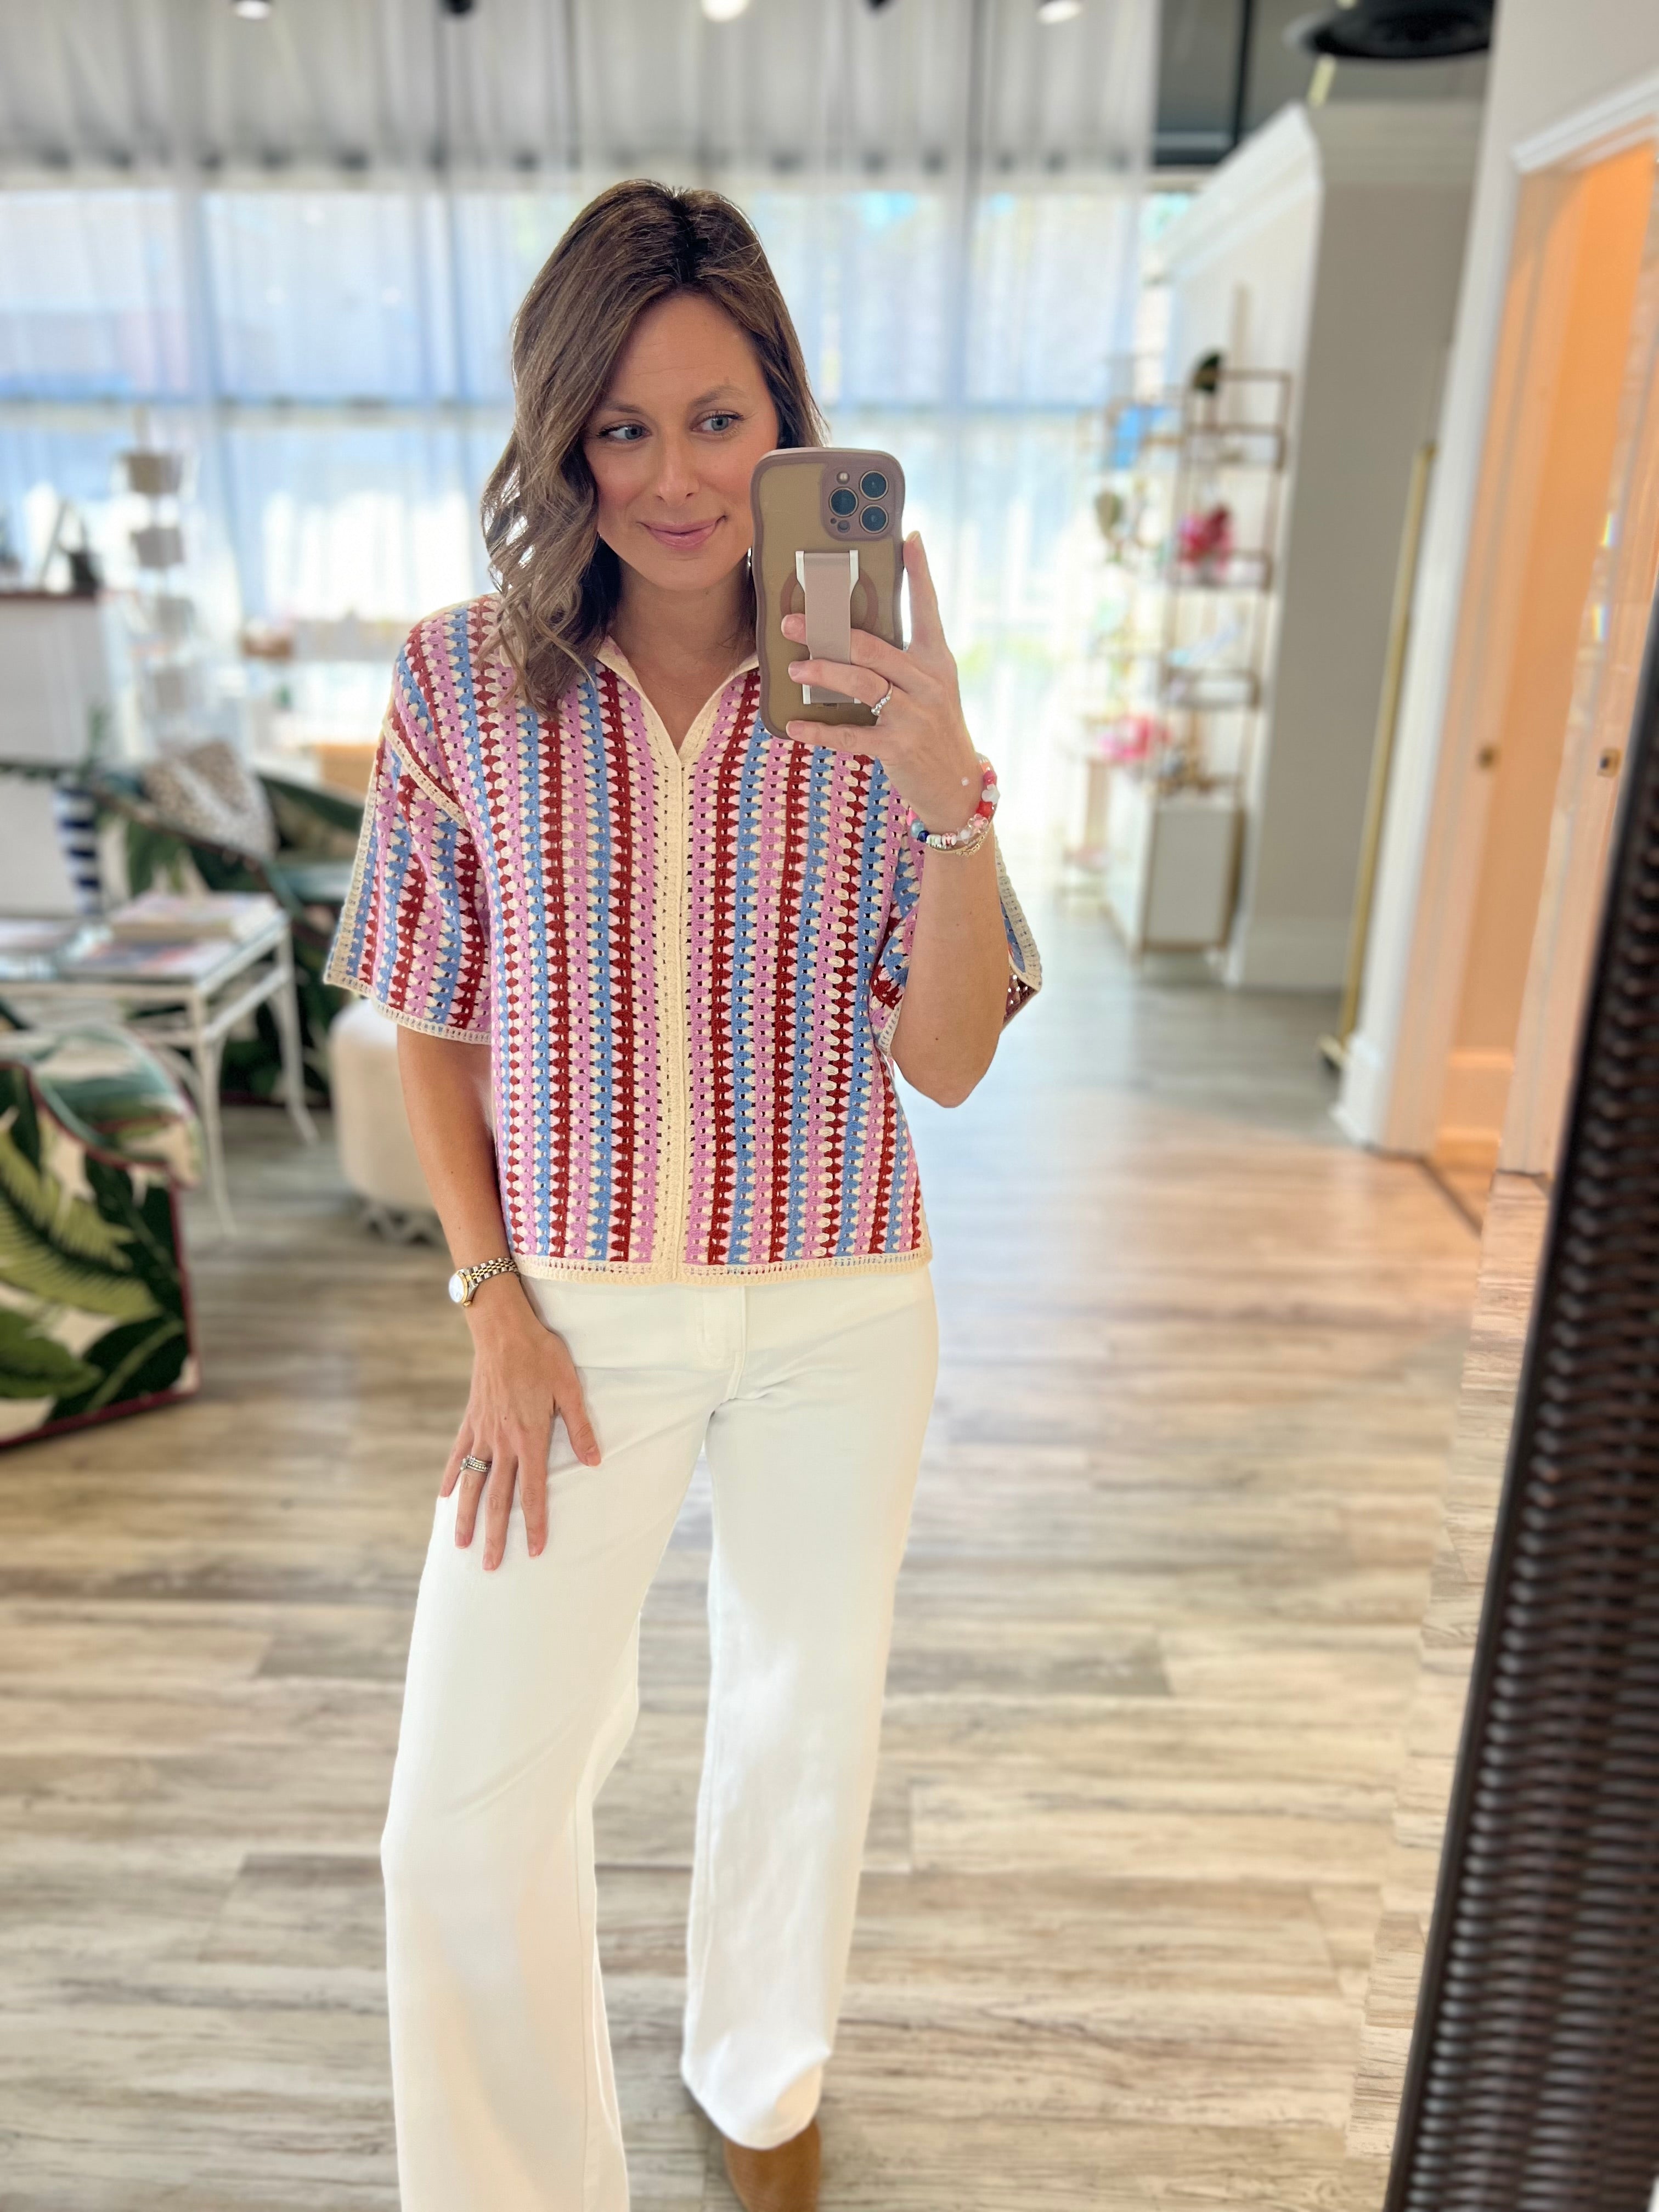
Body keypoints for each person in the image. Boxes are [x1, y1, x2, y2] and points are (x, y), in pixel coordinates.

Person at [326, 178, 1041, 2212]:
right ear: (562, 440)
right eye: (622, 427)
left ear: (787, 421)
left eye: (719, 420)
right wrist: (492, 1306)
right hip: (572, 1312)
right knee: (462, 1815)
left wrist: (949, 803)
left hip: (843, 1303)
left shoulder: (877, 680)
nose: (672, 476)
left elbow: (951, 1061)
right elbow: (432, 1025)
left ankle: (760, 2070)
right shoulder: (460, 682)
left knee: (804, 1723)